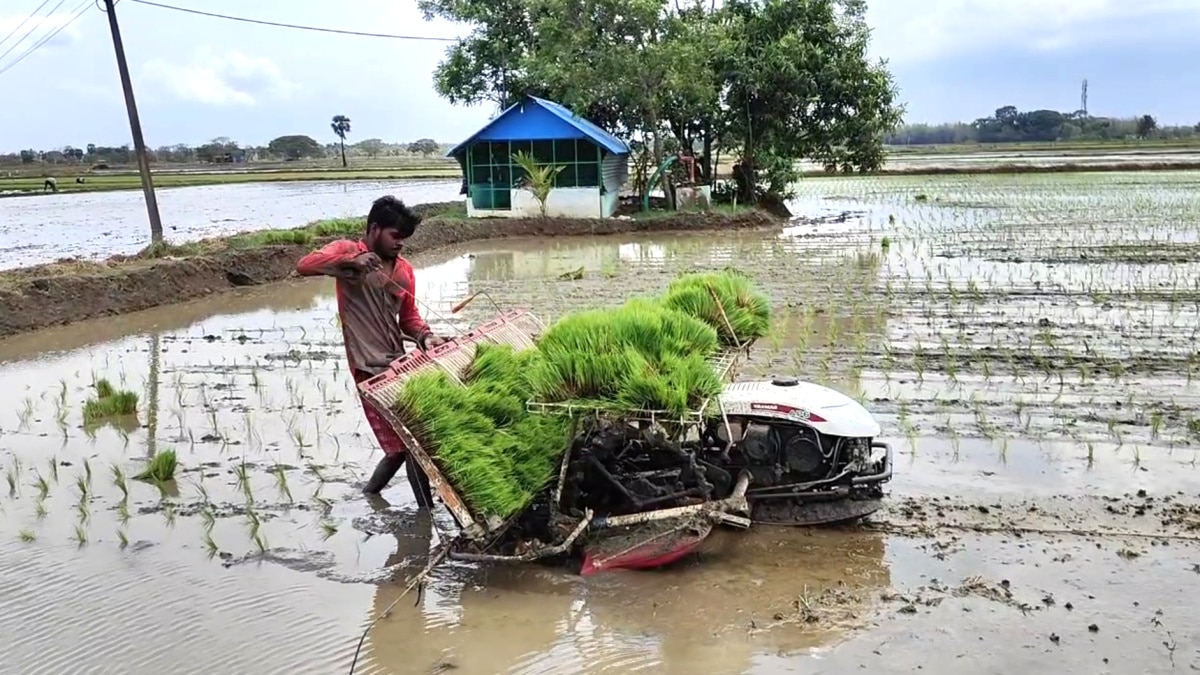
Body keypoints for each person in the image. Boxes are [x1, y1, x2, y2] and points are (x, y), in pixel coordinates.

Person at [296, 195, 446, 503]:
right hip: (367, 367)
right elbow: (304, 265)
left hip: (398, 364)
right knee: (410, 446)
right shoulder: (347, 251)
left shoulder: (404, 271)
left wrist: (426, 337)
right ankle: (425, 517)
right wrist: (348, 263)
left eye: (404, 238)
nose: (400, 244)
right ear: (374, 229)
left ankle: (369, 498)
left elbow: (409, 318)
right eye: (395, 236)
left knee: (399, 450)